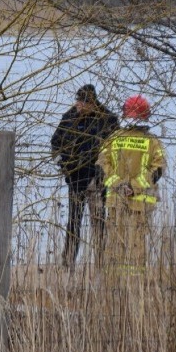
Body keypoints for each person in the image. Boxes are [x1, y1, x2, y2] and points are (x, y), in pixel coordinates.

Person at [98, 94, 166, 289]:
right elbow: (158, 169)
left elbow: (102, 166)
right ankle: (136, 284)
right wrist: (134, 187)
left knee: (115, 243)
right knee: (137, 245)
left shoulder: (113, 139)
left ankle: (114, 285)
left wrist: (119, 185)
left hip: (115, 200)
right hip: (141, 202)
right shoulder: (153, 142)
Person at [51, 84, 119, 269]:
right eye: (78, 101)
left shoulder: (107, 119)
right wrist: (64, 166)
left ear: (93, 102)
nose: (80, 105)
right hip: (75, 178)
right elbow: (56, 142)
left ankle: (102, 262)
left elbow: (115, 149)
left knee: (99, 221)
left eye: (84, 102)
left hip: (98, 180)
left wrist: (104, 173)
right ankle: (68, 262)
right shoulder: (69, 117)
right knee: (74, 221)